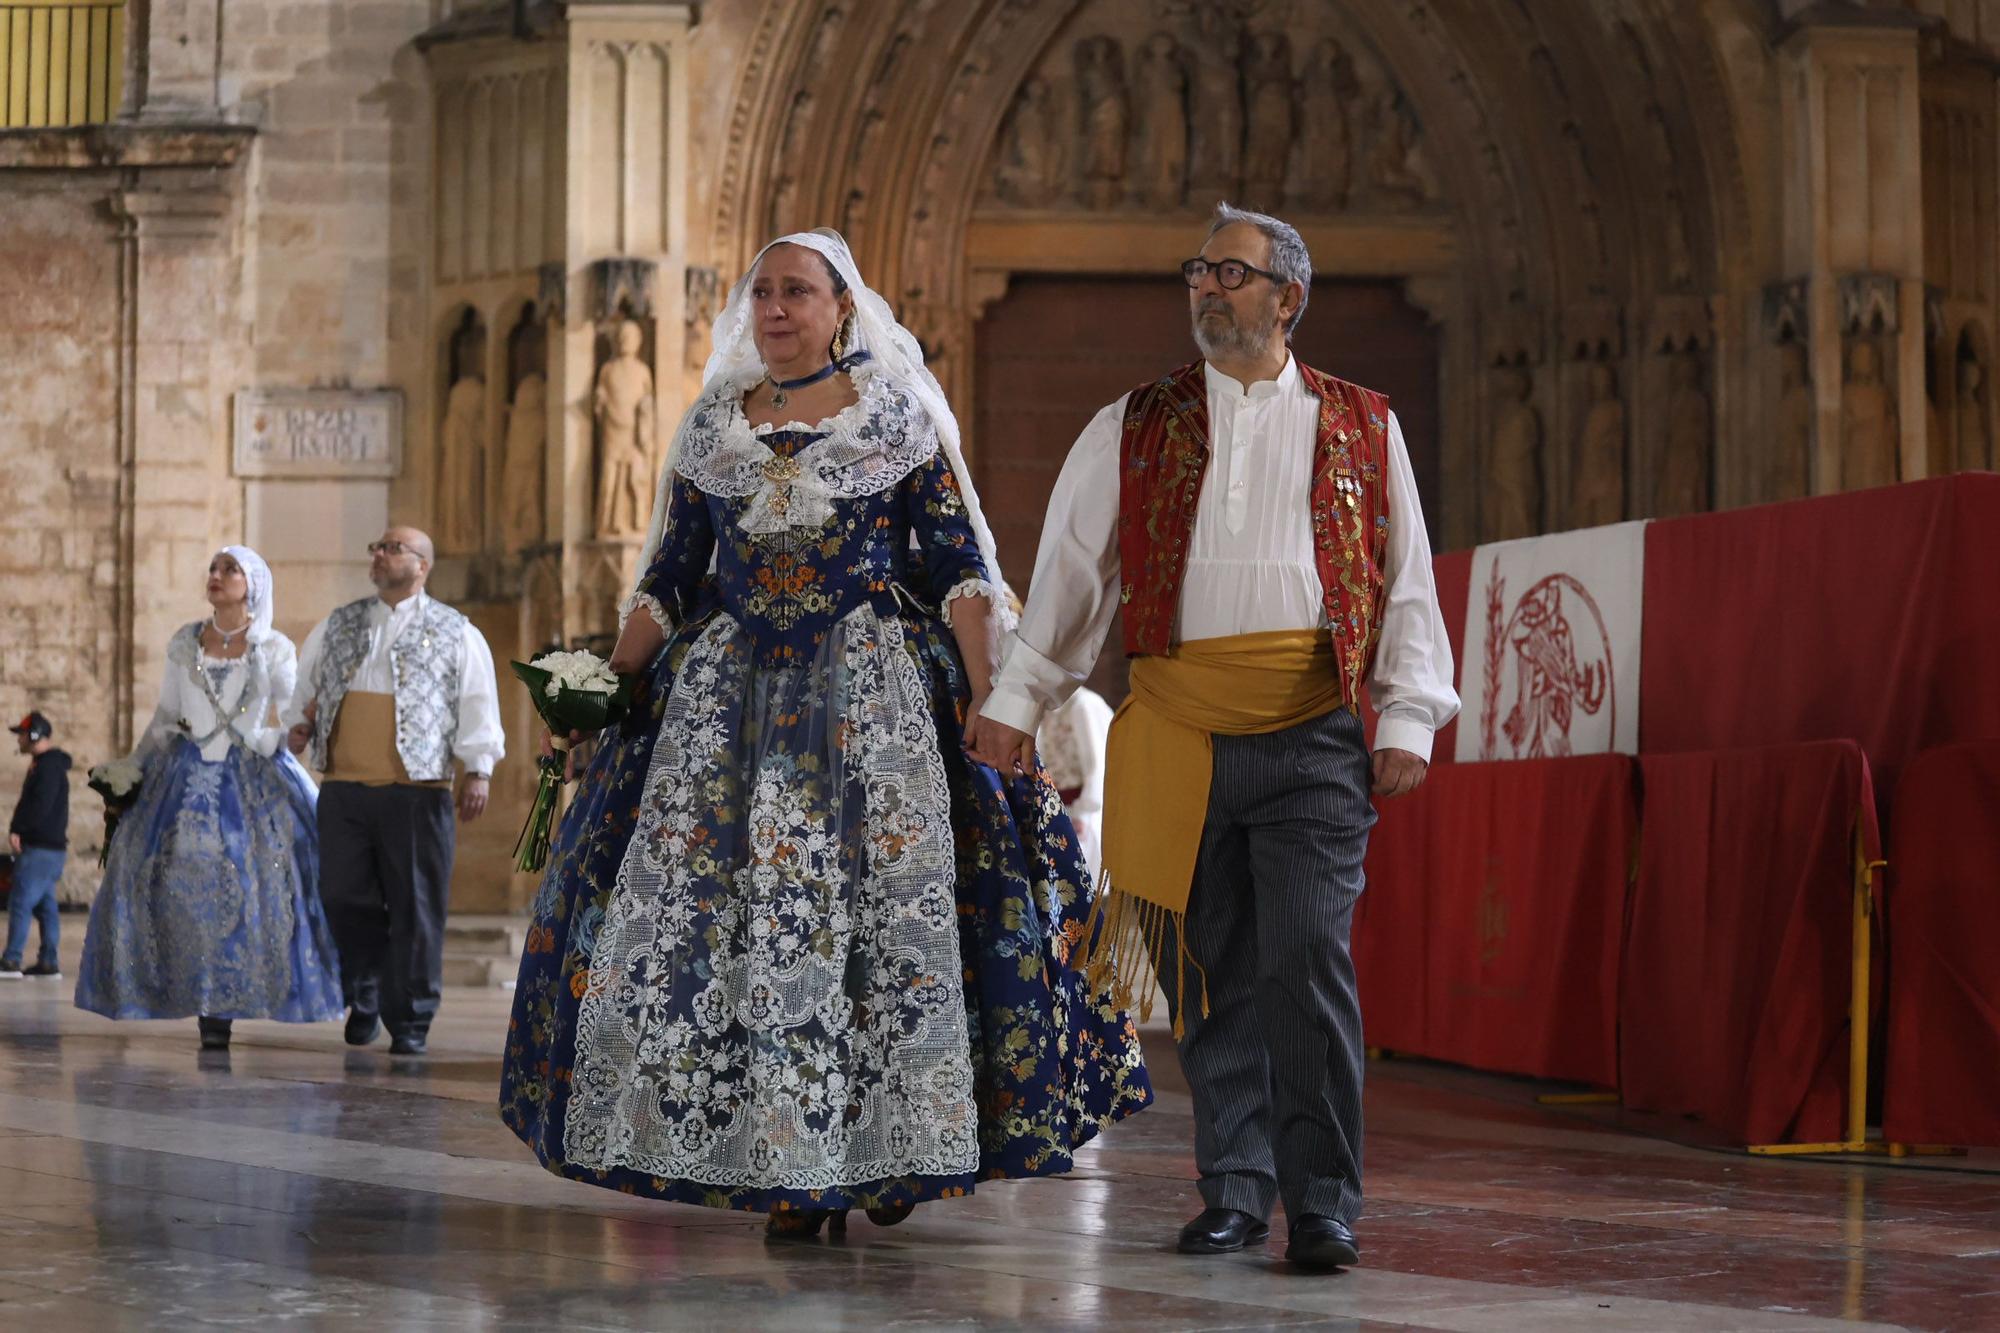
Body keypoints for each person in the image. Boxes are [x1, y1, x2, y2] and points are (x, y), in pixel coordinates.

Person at [499, 229, 1150, 1238]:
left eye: (796, 291)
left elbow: (958, 572)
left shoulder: (894, 419)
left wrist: (990, 700)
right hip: (723, 720)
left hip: (869, 712)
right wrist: (601, 685)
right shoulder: (712, 424)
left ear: (841, 307)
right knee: (743, 932)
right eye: (762, 293)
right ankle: (790, 1165)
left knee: (874, 933)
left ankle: (881, 1152)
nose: (774, 309)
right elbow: (668, 579)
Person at [968, 204, 1460, 1272]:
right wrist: (1013, 704)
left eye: (1230, 273)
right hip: (1177, 729)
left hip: (1310, 734)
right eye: (1197, 272)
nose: (1207, 289)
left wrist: (1409, 707)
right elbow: (1069, 582)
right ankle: (1234, 1188)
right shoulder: (1130, 423)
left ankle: (1322, 1201)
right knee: (1207, 975)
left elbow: (1403, 575)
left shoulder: (1361, 424)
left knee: (1305, 962)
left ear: (1288, 296)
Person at [73, 548, 342, 1049]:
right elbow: (164, 715)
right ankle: (200, 998)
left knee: (265, 877)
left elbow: (288, 714)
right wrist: (134, 767)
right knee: (165, 876)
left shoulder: (274, 647)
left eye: (230, 570)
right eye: (214, 569)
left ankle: (232, 997)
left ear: (252, 585)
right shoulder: (184, 641)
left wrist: (284, 736)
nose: (216, 577)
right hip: (184, 773)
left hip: (253, 776)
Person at [285, 527, 504, 1057]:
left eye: (392, 548)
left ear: (422, 564)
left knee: (416, 907)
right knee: (340, 895)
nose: (379, 554)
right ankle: (362, 994)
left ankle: (410, 1019)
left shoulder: (457, 631)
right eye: (376, 547)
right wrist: (299, 725)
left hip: (418, 791)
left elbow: (477, 699)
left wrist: (478, 768)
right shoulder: (339, 623)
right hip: (344, 787)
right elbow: (306, 687)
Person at [3, 712, 69, 980]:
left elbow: (39, 806)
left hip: (40, 848)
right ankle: (48, 962)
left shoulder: (48, 767)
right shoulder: (45, 764)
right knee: (45, 906)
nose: (19, 739)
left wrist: (20, 828)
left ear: (34, 735)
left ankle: (11, 960)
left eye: (22, 734)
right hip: (49, 849)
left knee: (20, 902)